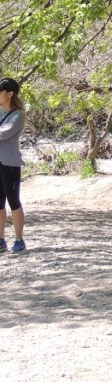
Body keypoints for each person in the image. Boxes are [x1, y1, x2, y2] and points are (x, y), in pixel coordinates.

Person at [0, 77, 27, 253]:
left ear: (9, 94)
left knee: (13, 201)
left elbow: (4, 133)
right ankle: (0, 240)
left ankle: (19, 239)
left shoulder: (19, 114)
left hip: (10, 164)